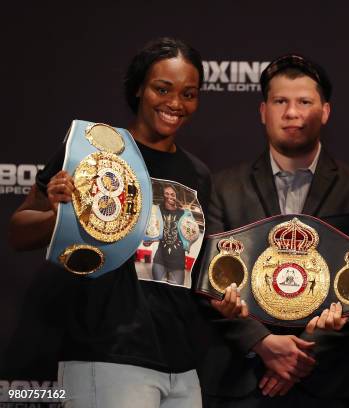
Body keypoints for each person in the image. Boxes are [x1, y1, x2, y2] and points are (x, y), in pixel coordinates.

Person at [8, 37, 246, 408]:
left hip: (181, 365)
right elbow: (19, 230)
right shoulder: (92, 148)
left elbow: (191, 272)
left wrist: (222, 302)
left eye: (189, 94)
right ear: (138, 88)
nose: (175, 104)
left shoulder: (198, 173)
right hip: (108, 355)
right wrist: (58, 215)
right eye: (162, 89)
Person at [200, 54, 349, 407]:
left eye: (304, 102)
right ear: (263, 111)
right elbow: (205, 284)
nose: (292, 113)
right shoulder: (222, 187)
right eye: (281, 101)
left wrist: (301, 357)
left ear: (325, 111)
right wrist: (262, 344)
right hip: (241, 380)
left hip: (330, 382)